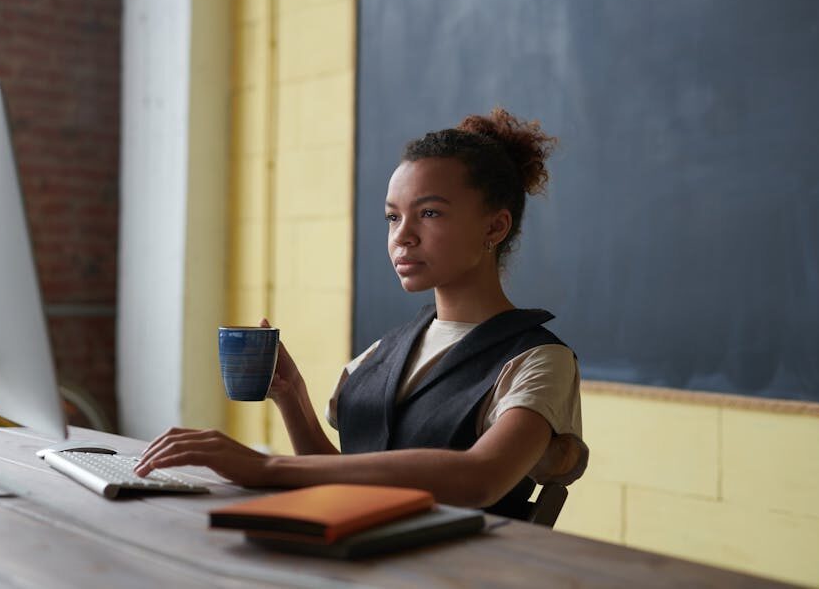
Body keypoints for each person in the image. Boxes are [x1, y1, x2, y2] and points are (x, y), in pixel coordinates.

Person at [136, 108, 584, 519]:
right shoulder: (386, 350)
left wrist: (268, 467)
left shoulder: (539, 359)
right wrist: (294, 399)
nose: (402, 237)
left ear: (495, 226)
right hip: (356, 557)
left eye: (429, 213)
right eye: (393, 217)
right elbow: (344, 476)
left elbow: (480, 478)